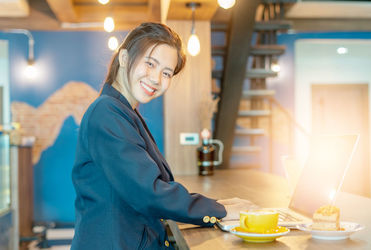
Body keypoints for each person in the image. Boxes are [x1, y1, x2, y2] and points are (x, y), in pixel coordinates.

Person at [71, 22, 256, 250]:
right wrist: (220, 210)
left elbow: (150, 188)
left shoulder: (124, 112)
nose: (157, 79)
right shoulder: (107, 113)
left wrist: (216, 205)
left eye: (166, 73)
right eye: (150, 64)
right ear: (125, 58)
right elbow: (148, 192)